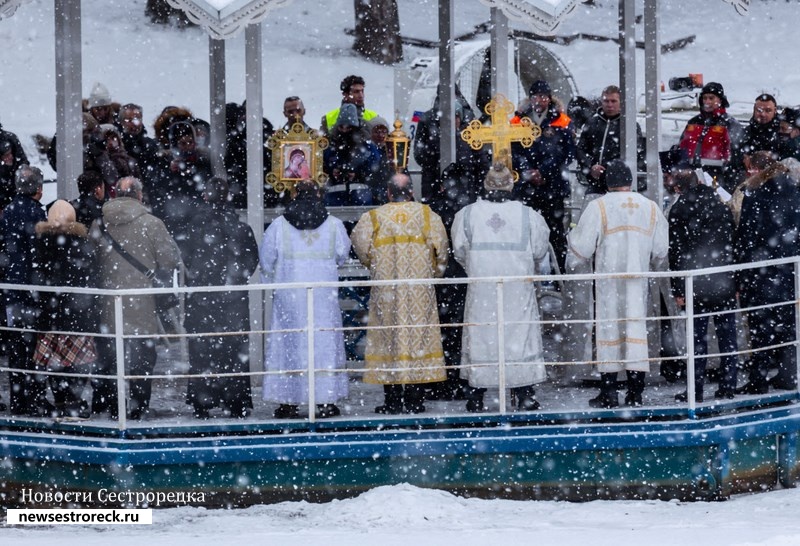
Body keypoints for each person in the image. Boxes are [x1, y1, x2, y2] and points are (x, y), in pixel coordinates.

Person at [566, 159, 669, 408]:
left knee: (608, 331)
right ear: (631, 182)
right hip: (637, 281)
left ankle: (609, 393)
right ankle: (635, 393)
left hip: (609, 281)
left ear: (607, 183)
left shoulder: (598, 206)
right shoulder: (651, 207)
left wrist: (570, 237)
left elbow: (581, 248)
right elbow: (660, 250)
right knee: (635, 331)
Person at [451, 163, 551, 412]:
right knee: (519, 336)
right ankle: (524, 393)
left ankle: (476, 395)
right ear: (511, 184)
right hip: (517, 288)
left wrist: (478, 267)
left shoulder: (467, 214)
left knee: (482, 336)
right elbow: (540, 251)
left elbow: (460, 251)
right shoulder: (529, 215)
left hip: (482, 285)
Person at [351, 173, 449, 414]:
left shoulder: (373, 217)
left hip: (387, 290)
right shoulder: (428, 215)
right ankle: (415, 400)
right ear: (412, 192)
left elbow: (361, 247)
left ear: (388, 193)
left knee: (388, 339)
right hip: (418, 289)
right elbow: (442, 250)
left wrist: (375, 264)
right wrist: (433, 273)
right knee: (418, 338)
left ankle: (393, 400)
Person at [90, 176, 182, 420]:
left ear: (115, 194)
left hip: (109, 300)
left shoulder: (99, 223)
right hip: (142, 301)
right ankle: (138, 407)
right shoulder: (153, 224)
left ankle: (114, 405)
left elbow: (90, 259)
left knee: (111, 357)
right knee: (143, 358)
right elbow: (169, 261)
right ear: (139, 195)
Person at [260, 180, 350, 419]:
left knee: (290, 346)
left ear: (294, 195)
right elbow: (342, 256)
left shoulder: (279, 226)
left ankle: (289, 402)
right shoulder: (334, 225)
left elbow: (266, 261)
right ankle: (325, 400)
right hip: (323, 296)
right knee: (324, 346)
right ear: (319, 195)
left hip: (291, 296)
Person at [183, 177, 259, 419]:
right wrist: (234, 281)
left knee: (201, 351)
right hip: (232, 302)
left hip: (201, 301)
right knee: (233, 353)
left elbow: (185, 261)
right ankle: (235, 401)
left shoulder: (193, 228)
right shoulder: (240, 228)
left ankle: (202, 401)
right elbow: (251, 260)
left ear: (205, 196)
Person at [668, 169, 738, 402]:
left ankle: (695, 389)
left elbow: (676, 253)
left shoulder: (679, 210)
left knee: (696, 339)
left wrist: (678, 289)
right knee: (727, 336)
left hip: (695, 282)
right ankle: (728, 385)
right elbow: (732, 245)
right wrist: (735, 280)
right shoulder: (721, 207)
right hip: (722, 279)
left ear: (679, 188)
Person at [734, 151, 800, 394]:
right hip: (790, 273)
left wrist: (741, 276)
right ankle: (788, 375)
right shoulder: (795, 195)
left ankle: (759, 381)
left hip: (760, 273)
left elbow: (745, 240)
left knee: (761, 329)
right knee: (787, 327)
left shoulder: (755, 196)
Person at [32, 200, 98, 418]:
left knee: (53, 362)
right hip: (77, 316)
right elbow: (90, 278)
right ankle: (74, 402)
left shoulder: (40, 244)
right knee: (78, 363)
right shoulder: (81, 245)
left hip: (49, 316)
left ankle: (60, 401)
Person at [1, 165, 51, 416]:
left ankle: (18, 399)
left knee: (15, 347)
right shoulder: (36, 214)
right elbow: (38, 251)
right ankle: (33, 399)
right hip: (30, 288)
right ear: (39, 190)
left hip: (12, 288)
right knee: (33, 348)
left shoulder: (8, 212)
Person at [511, 79, 576, 272]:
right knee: (526, 233)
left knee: (556, 233)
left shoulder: (562, 121)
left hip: (552, 186)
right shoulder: (518, 120)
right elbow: (513, 150)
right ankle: (527, 274)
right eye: (535, 96)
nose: (539, 100)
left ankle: (560, 276)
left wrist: (544, 171)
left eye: (543, 96)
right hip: (527, 187)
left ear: (549, 99)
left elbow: (567, 152)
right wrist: (527, 171)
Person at [576, 85, 645, 198]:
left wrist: (610, 169)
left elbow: (636, 152)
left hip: (619, 184)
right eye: (606, 101)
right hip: (595, 182)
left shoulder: (629, 125)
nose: (609, 105)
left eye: (613, 101)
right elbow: (581, 149)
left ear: (620, 102)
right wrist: (590, 167)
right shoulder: (592, 123)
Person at [677, 81, 744, 191]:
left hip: (719, 179)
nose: (707, 101)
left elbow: (737, 156)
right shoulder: (693, 122)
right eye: (705, 98)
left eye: (711, 98)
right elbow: (681, 147)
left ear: (720, 100)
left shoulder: (730, 124)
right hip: (692, 177)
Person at [323, 103, 380, 207]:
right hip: (335, 199)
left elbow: (375, 168)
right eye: (341, 127)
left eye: (348, 127)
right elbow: (322, 166)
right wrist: (333, 172)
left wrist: (358, 174)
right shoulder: (330, 146)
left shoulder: (367, 147)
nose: (344, 130)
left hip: (361, 199)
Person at [0, 122, 29, 210]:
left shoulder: (11, 138)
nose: (10, 157)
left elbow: (23, 161)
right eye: (6, 156)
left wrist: (22, 171)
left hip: (15, 188)